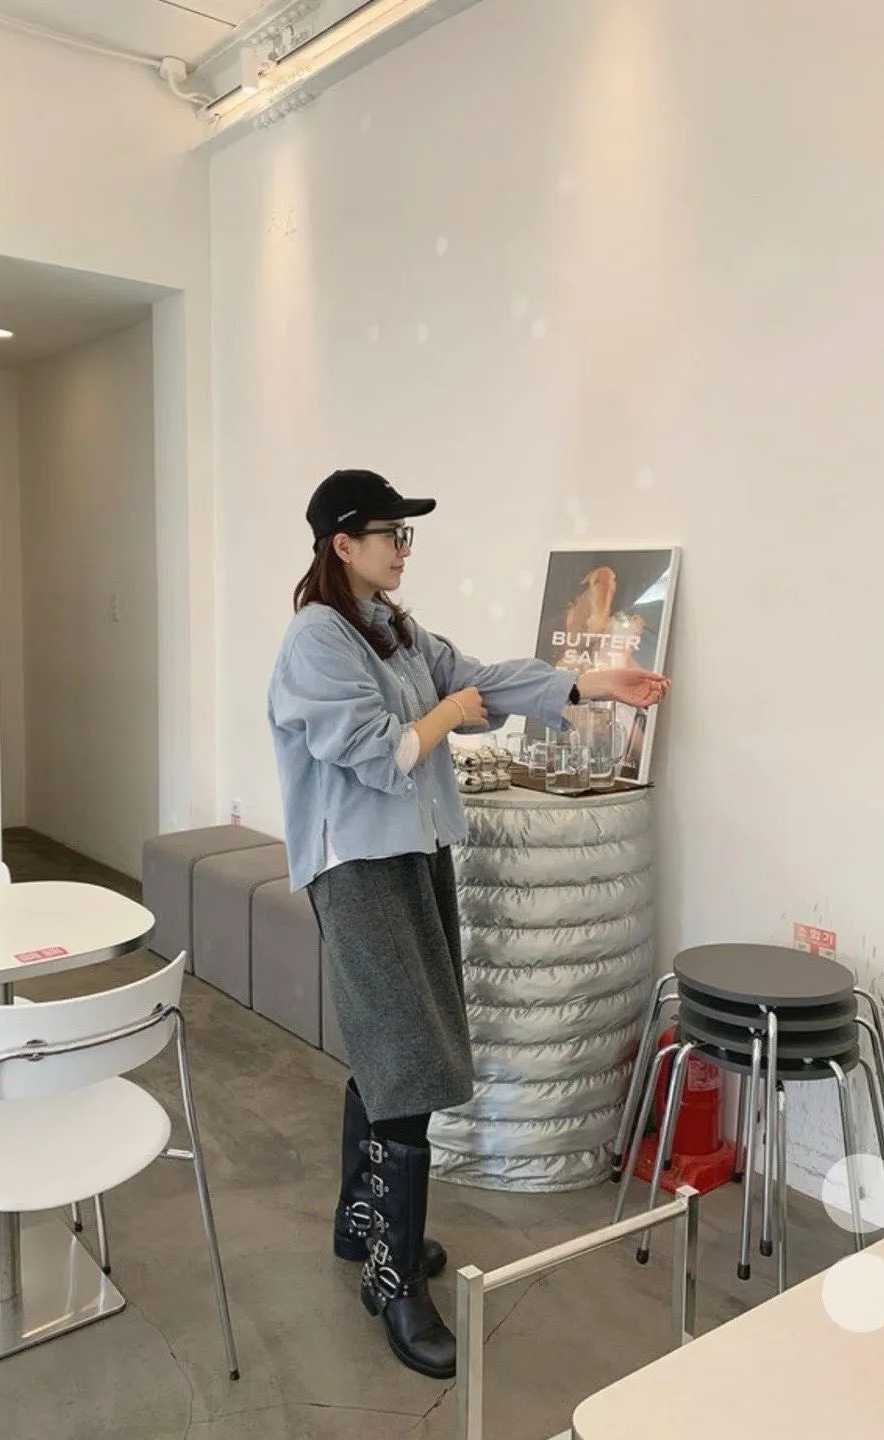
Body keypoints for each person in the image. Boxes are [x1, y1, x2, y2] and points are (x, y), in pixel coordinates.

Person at [266, 469, 669, 1380]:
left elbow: (484, 678)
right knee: (408, 1055)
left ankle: (361, 1224)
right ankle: (394, 1278)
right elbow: (379, 753)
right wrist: (448, 713)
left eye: (406, 535)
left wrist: (590, 683)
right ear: (342, 543)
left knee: (391, 1044)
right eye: (390, 534)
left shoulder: (393, 627)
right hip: (358, 867)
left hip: (414, 854)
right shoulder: (316, 638)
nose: (402, 549)